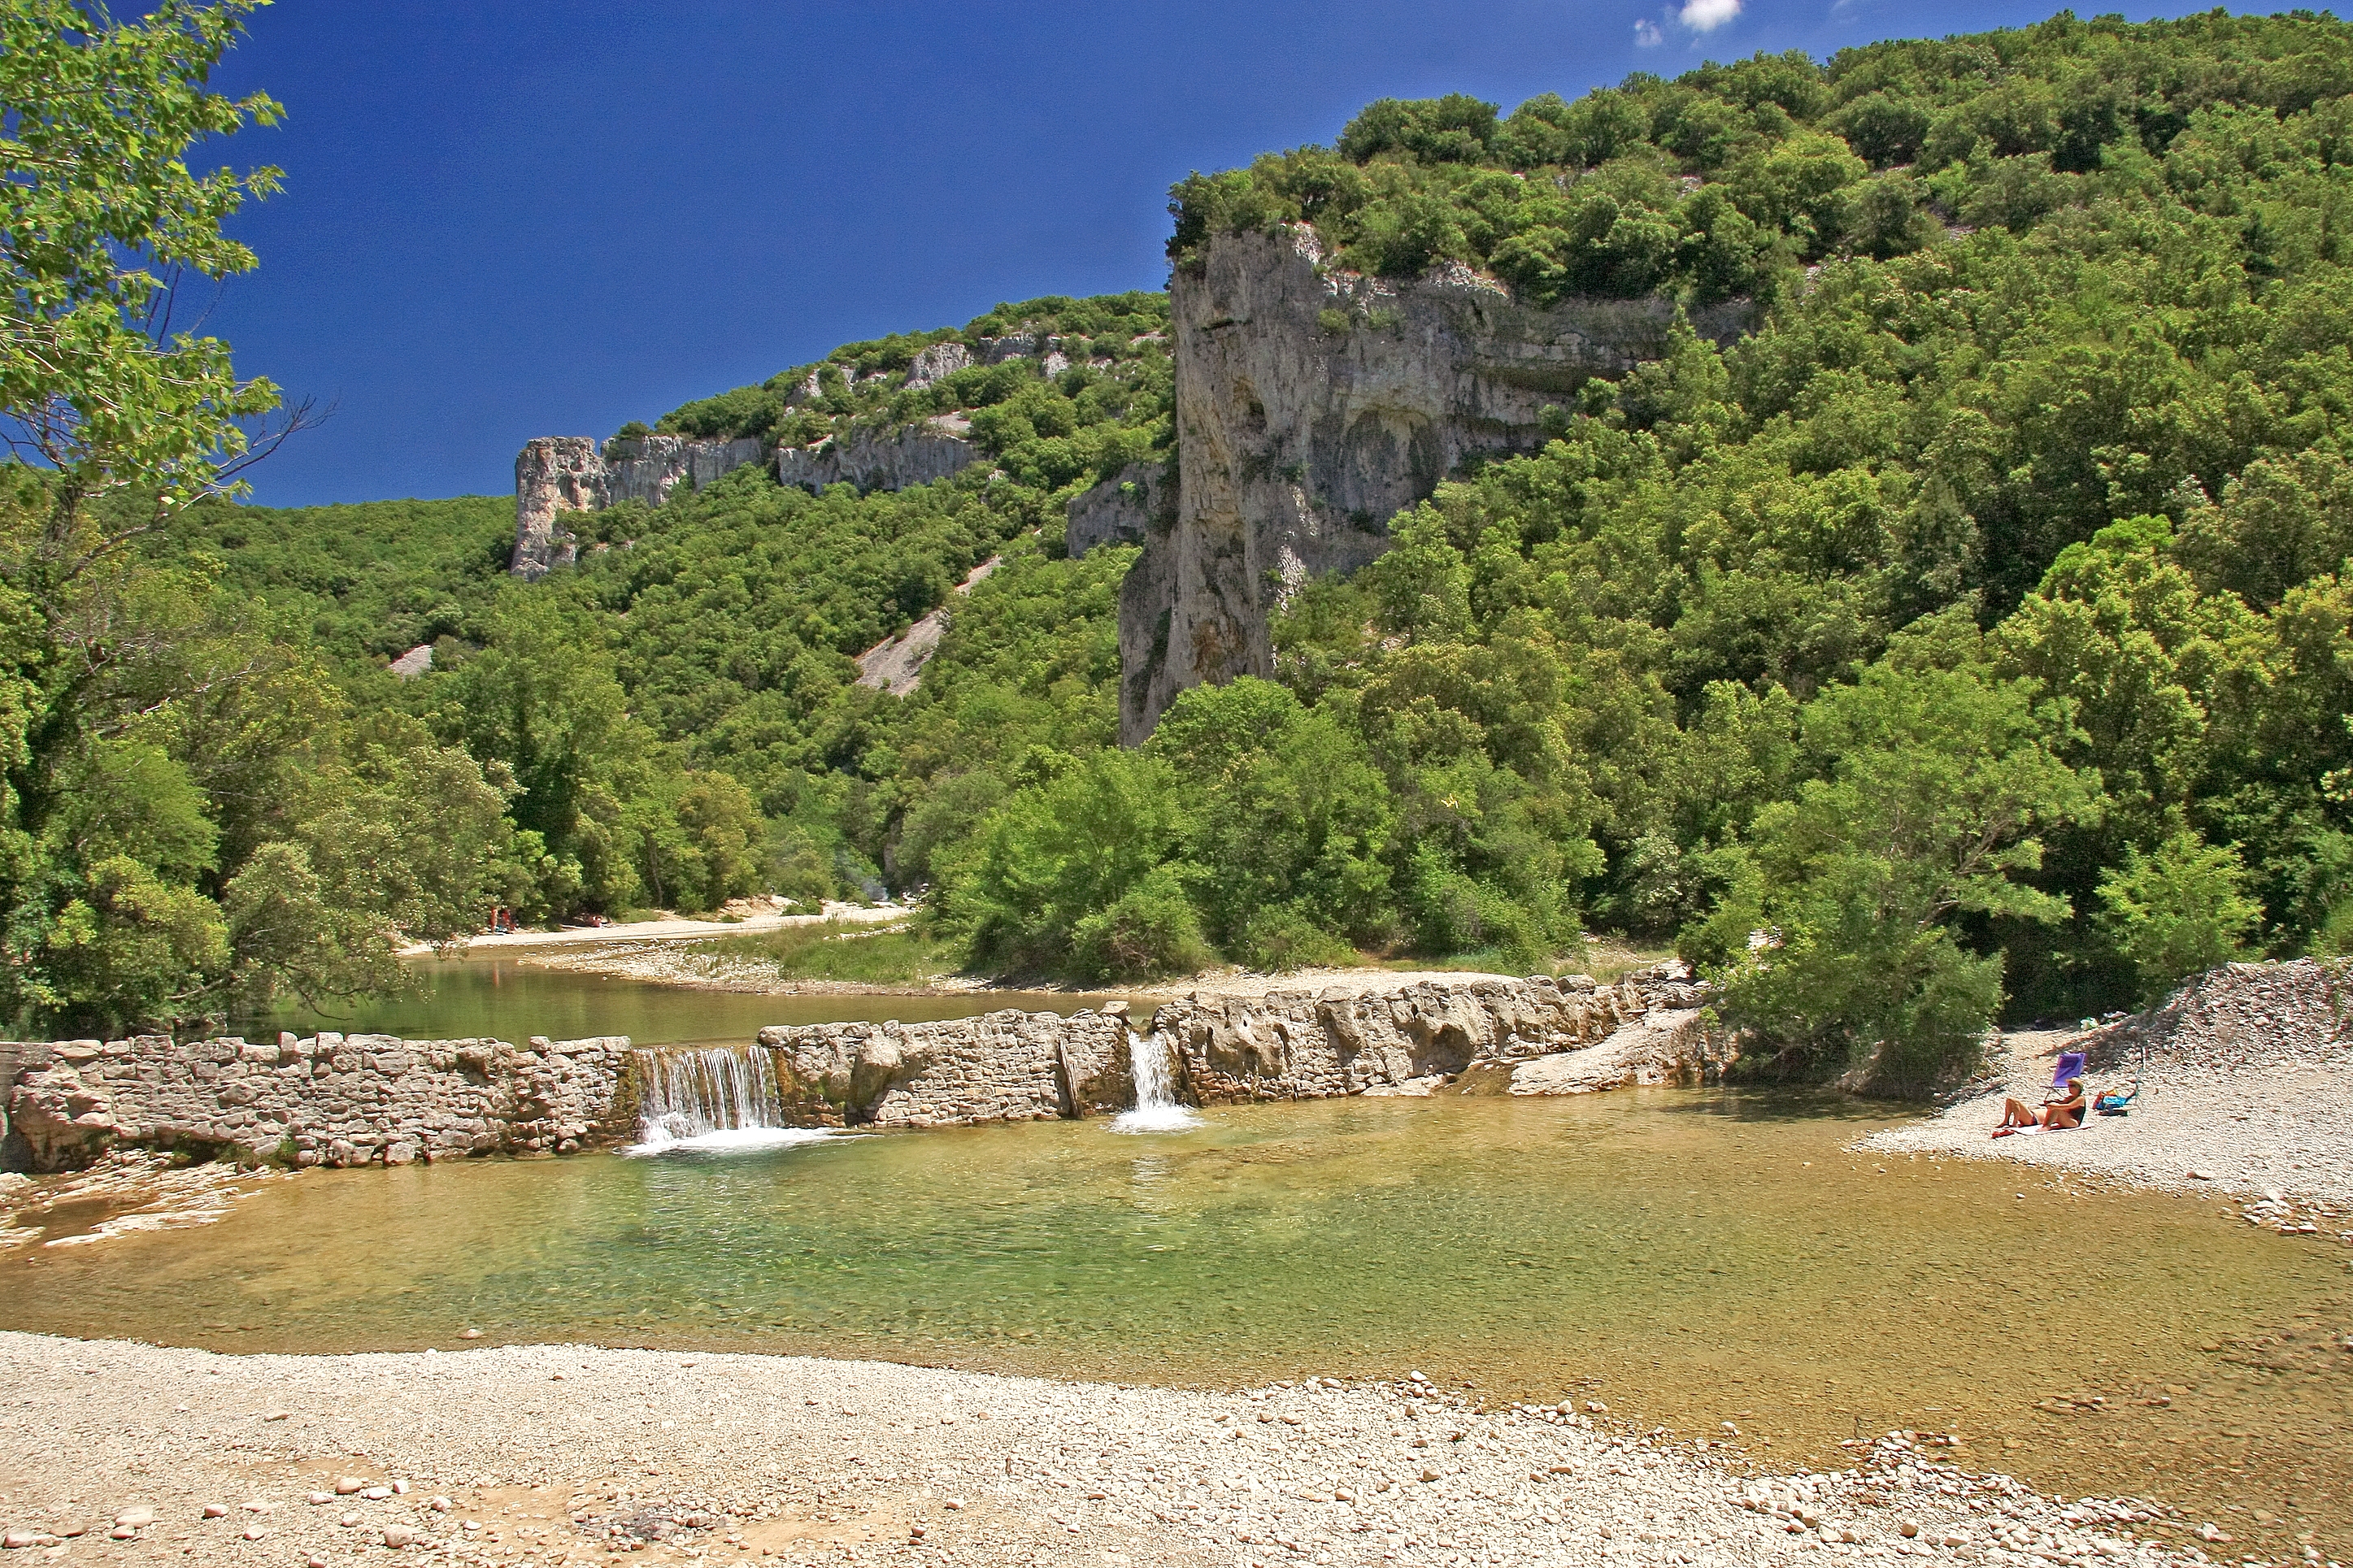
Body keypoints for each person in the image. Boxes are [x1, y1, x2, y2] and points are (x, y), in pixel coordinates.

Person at [1998, 1077, 2086, 1131]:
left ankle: (2046, 1126)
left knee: (2057, 1109)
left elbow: (2068, 1106)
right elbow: (2062, 1103)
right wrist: (2050, 1103)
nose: (2069, 1088)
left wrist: (2055, 1105)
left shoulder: (2080, 1098)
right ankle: (2006, 1121)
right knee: (2010, 1100)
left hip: (2074, 1123)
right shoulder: (2070, 1098)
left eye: (2072, 1086)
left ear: (2078, 1088)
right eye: (2069, 1086)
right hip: (2067, 1119)